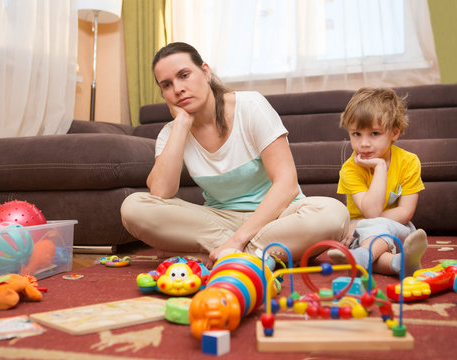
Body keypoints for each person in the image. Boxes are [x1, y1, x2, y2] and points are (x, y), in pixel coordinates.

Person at [120, 42, 349, 268]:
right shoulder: (171, 132)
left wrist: (237, 240)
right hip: (219, 221)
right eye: (167, 85)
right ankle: (261, 255)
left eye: (184, 75)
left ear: (206, 72)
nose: (177, 88)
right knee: (133, 207)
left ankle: (215, 255)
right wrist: (181, 124)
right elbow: (161, 192)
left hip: (278, 218)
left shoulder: (250, 106)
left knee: (333, 214)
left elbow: (287, 185)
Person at [328, 87, 427, 276]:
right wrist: (381, 168)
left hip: (397, 225)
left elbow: (405, 212)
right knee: (370, 238)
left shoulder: (409, 162)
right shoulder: (350, 169)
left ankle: (363, 255)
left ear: (394, 133)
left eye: (374, 133)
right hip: (357, 230)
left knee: (381, 227)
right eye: (356, 134)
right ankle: (397, 263)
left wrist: (379, 167)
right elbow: (371, 210)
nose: (364, 143)